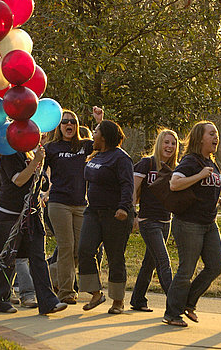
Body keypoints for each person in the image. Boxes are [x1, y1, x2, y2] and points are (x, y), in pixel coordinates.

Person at [163, 121, 221, 327]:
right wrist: (200, 175)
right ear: (200, 138)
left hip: (209, 222)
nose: (215, 137)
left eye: (216, 134)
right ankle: (172, 313)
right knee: (186, 269)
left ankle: (188, 302)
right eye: (211, 134)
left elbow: (205, 187)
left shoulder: (211, 161)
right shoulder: (191, 161)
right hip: (189, 223)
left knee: (215, 265)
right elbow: (174, 183)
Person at [0, 145, 67, 315]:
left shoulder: (31, 153)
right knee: (7, 259)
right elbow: (18, 180)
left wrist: (40, 164)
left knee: (38, 258)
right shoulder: (9, 154)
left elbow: (42, 184)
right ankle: (1, 300)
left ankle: (48, 301)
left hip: (32, 215)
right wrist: (36, 162)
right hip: (9, 215)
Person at [43, 108, 103, 304]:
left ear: (77, 126)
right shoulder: (52, 148)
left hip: (80, 204)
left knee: (81, 248)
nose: (69, 125)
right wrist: (43, 190)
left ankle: (47, 274)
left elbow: (104, 142)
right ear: (59, 127)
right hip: (58, 203)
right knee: (66, 247)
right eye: (65, 122)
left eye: (72, 122)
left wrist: (99, 120)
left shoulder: (84, 146)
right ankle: (66, 292)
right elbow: (41, 171)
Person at [78, 120, 134, 314]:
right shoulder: (97, 154)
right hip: (93, 211)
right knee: (85, 249)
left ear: (104, 136)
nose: (93, 134)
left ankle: (118, 301)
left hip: (115, 213)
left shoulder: (121, 158)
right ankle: (95, 292)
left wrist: (124, 208)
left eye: (96, 131)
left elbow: (128, 185)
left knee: (115, 256)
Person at [130, 129, 178, 312]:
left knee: (149, 262)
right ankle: (175, 304)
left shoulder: (176, 168)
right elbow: (133, 189)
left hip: (166, 220)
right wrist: (133, 214)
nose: (169, 146)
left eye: (173, 143)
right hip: (148, 220)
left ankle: (138, 299)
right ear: (159, 143)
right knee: (163, 261)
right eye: (166, 142)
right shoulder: (146, 163)